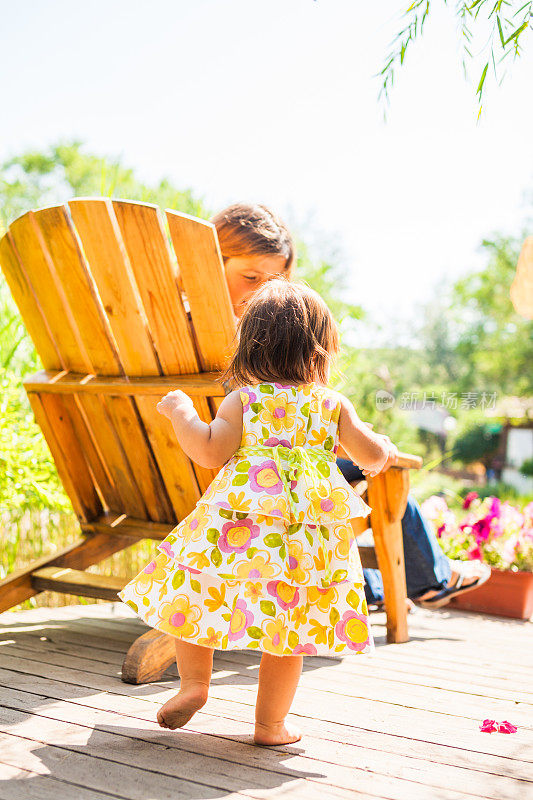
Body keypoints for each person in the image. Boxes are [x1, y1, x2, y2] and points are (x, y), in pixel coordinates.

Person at [120, 280, 395, 744]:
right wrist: (382, 447)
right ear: (320, 354)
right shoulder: (331, 405)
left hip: (235, 531)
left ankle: (195, 685)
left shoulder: (244, 400)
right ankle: (269, 726)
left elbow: (208, 451)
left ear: (249, 349)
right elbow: (369, 456)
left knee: (198, 595)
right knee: (291, 631)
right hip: (303, 548)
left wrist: (185, 415)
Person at [210, 203, 490, 607]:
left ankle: (408, 580)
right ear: (210, 263)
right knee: (376, 463)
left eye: (276, 280)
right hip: (252, 484)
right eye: (250, 277)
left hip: (230, 478)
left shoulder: (156, 327)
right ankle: (428, 578)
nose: (263, 293)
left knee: (357, 462)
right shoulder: (234, 339)